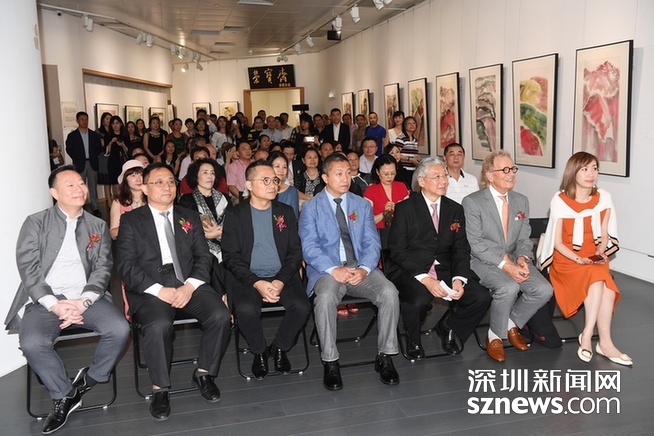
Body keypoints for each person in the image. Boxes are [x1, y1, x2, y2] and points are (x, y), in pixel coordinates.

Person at [5, 166, 129, 434]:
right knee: (32, 343)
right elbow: (29, 269)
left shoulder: (97, 225)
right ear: (54, 192)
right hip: (45, 300)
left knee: (120, 329)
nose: (79, 189)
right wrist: (55, 305)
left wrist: (83, 302)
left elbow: (103, 269)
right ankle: (64, 395)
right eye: (70, 185)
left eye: (81, 183)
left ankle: (87, 381)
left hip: (86, 296)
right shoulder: (35, 222)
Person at [115, 162, 231, 420]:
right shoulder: (131, 220)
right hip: (150, 288)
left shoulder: (188, 216)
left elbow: (204, 256)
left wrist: (189, 286)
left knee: (220, 316)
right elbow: (125, 265)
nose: (167, 187)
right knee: (158, 325)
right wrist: (159, 291)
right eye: (158, 182)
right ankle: (160, 388)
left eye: (170, 181)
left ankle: (204, 373)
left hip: (188, 282)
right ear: (145, 188)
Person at [299, 153, 400, 391]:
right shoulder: (311, 207)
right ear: (325, 177)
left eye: (347, 173)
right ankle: (330, 361)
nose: (345, 179)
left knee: (389, 292)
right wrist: (333, 269)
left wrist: (364, 269)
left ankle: (385, 356)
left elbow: (372, 242)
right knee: (325, 298)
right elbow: (309, 247)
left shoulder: (361, 204)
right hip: (327, 270)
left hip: (359, 267)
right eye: (338, 174)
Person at [387, 158, 491, 358]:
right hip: (412, 268)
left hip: (445, 266)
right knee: (418, 300)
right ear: (422, 181)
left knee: (480, 297)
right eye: (437, 177)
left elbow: (461, 248)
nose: (443, 180)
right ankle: (413, 340)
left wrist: (459, 278)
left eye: (444, 175)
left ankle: (450, 327)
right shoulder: (405, 209)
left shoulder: (455, 209)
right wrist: (426, 279)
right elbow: (398, 250)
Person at [540, 152, 630, 365]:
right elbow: (557, 243)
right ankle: (590, 337)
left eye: (595, 169)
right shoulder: (560, 200)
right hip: (567, 260)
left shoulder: (603, 198)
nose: (591, 174)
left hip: (592, 258)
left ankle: (602, 342)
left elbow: (605, 236)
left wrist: (600, 251)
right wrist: (578, 259)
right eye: (585, 169)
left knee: (606, 287)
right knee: (598, 281)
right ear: (573, 172)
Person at [222, 161, 310, 379]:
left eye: (275, 180)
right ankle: (259, 350)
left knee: (301, 306)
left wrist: (280, 280)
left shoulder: (285, 212)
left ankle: (280, 347)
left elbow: (295, 252)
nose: (273, 185)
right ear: (249, 185)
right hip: (247, 278)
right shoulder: (235, 214)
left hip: (282, 275)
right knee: (245, 309)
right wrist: (257, 282)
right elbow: (230, 257)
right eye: (266, 180)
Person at [462, 151, 552, 362]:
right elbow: (476, 244)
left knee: (544, 289)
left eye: (513, 169)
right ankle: (494, 336)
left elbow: (524, 238)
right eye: (504, 170)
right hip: (484, 260)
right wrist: (506, 266)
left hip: (513, 257)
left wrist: (522, 258)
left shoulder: (521, 201)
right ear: (489, 175)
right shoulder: (472, 202)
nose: (511, 173)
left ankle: (510, 323)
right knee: (508, 287)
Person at [178, 158, 230, 294]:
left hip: (225, 239)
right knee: (210, 259)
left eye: (212, 173)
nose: (210, 176)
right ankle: (221, 298)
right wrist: (207, 235)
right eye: (205, 172)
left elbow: (233, 224)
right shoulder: (187, 200)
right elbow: (185, 229)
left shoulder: (224, 199)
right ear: (196, 176)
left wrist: (221, 233)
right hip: (199, 243)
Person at [65, 111, 102, 217]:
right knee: (79, 187)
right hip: (79, 164)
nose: (84, 122)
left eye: (86, 119)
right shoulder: (72, 136)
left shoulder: (94, 135)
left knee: (93, 187)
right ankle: (80, 207)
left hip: (92, 163)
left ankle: (95, 207)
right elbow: (69, 149)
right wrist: (77, 158)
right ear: (77, 121)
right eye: (82, 119)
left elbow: (98, 148)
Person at [364, 154, 409, 229]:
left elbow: (409, 214)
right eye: (386, 174)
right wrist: (384, 213)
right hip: (379, 232)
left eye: (393, 173)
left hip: (400, 230)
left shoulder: (401, 187)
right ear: (377, 172)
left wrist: (398, 210)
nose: (390, 177)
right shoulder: (370, 191)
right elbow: (366, 221)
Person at [109, 160, 146, 240]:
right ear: (125, 180)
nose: (138, 179)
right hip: (129, 243)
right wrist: (131, 227)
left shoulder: (152, 198)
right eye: (133, 176)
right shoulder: (118, 202)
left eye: (141, 175)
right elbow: (113, 233)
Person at [268, 151, 299, 217]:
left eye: (284, 167)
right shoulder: (263, 189)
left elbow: (294, 216)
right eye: (277, 166)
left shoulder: (292, 191)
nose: (281, 170)